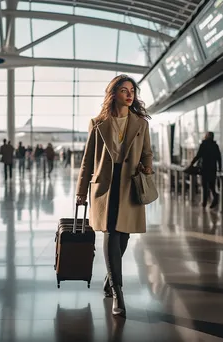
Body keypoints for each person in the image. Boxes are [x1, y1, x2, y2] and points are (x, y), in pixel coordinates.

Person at [76, 74, 153, 318]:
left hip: (130, 183)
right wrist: (80, 192)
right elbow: (87, 160)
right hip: (105, 185)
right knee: (111, 232)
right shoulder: (98, 123)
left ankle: (110, 278)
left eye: (132, 90)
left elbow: (147, 153)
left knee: (124, 235)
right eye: (124, 90)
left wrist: (147, 166)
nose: (129, 94)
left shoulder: (141, 124)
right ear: (114, 94)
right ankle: (118, 293)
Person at [190, 132, 222, 209]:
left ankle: (204, 202)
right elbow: (219, 158)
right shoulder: (215, 146)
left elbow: (198, 155)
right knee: (212, 185)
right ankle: (215, 197)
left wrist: (191, 163)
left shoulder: (203, 145)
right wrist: (220, 168)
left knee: (204, 185)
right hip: (212, 168)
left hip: (204, 168)